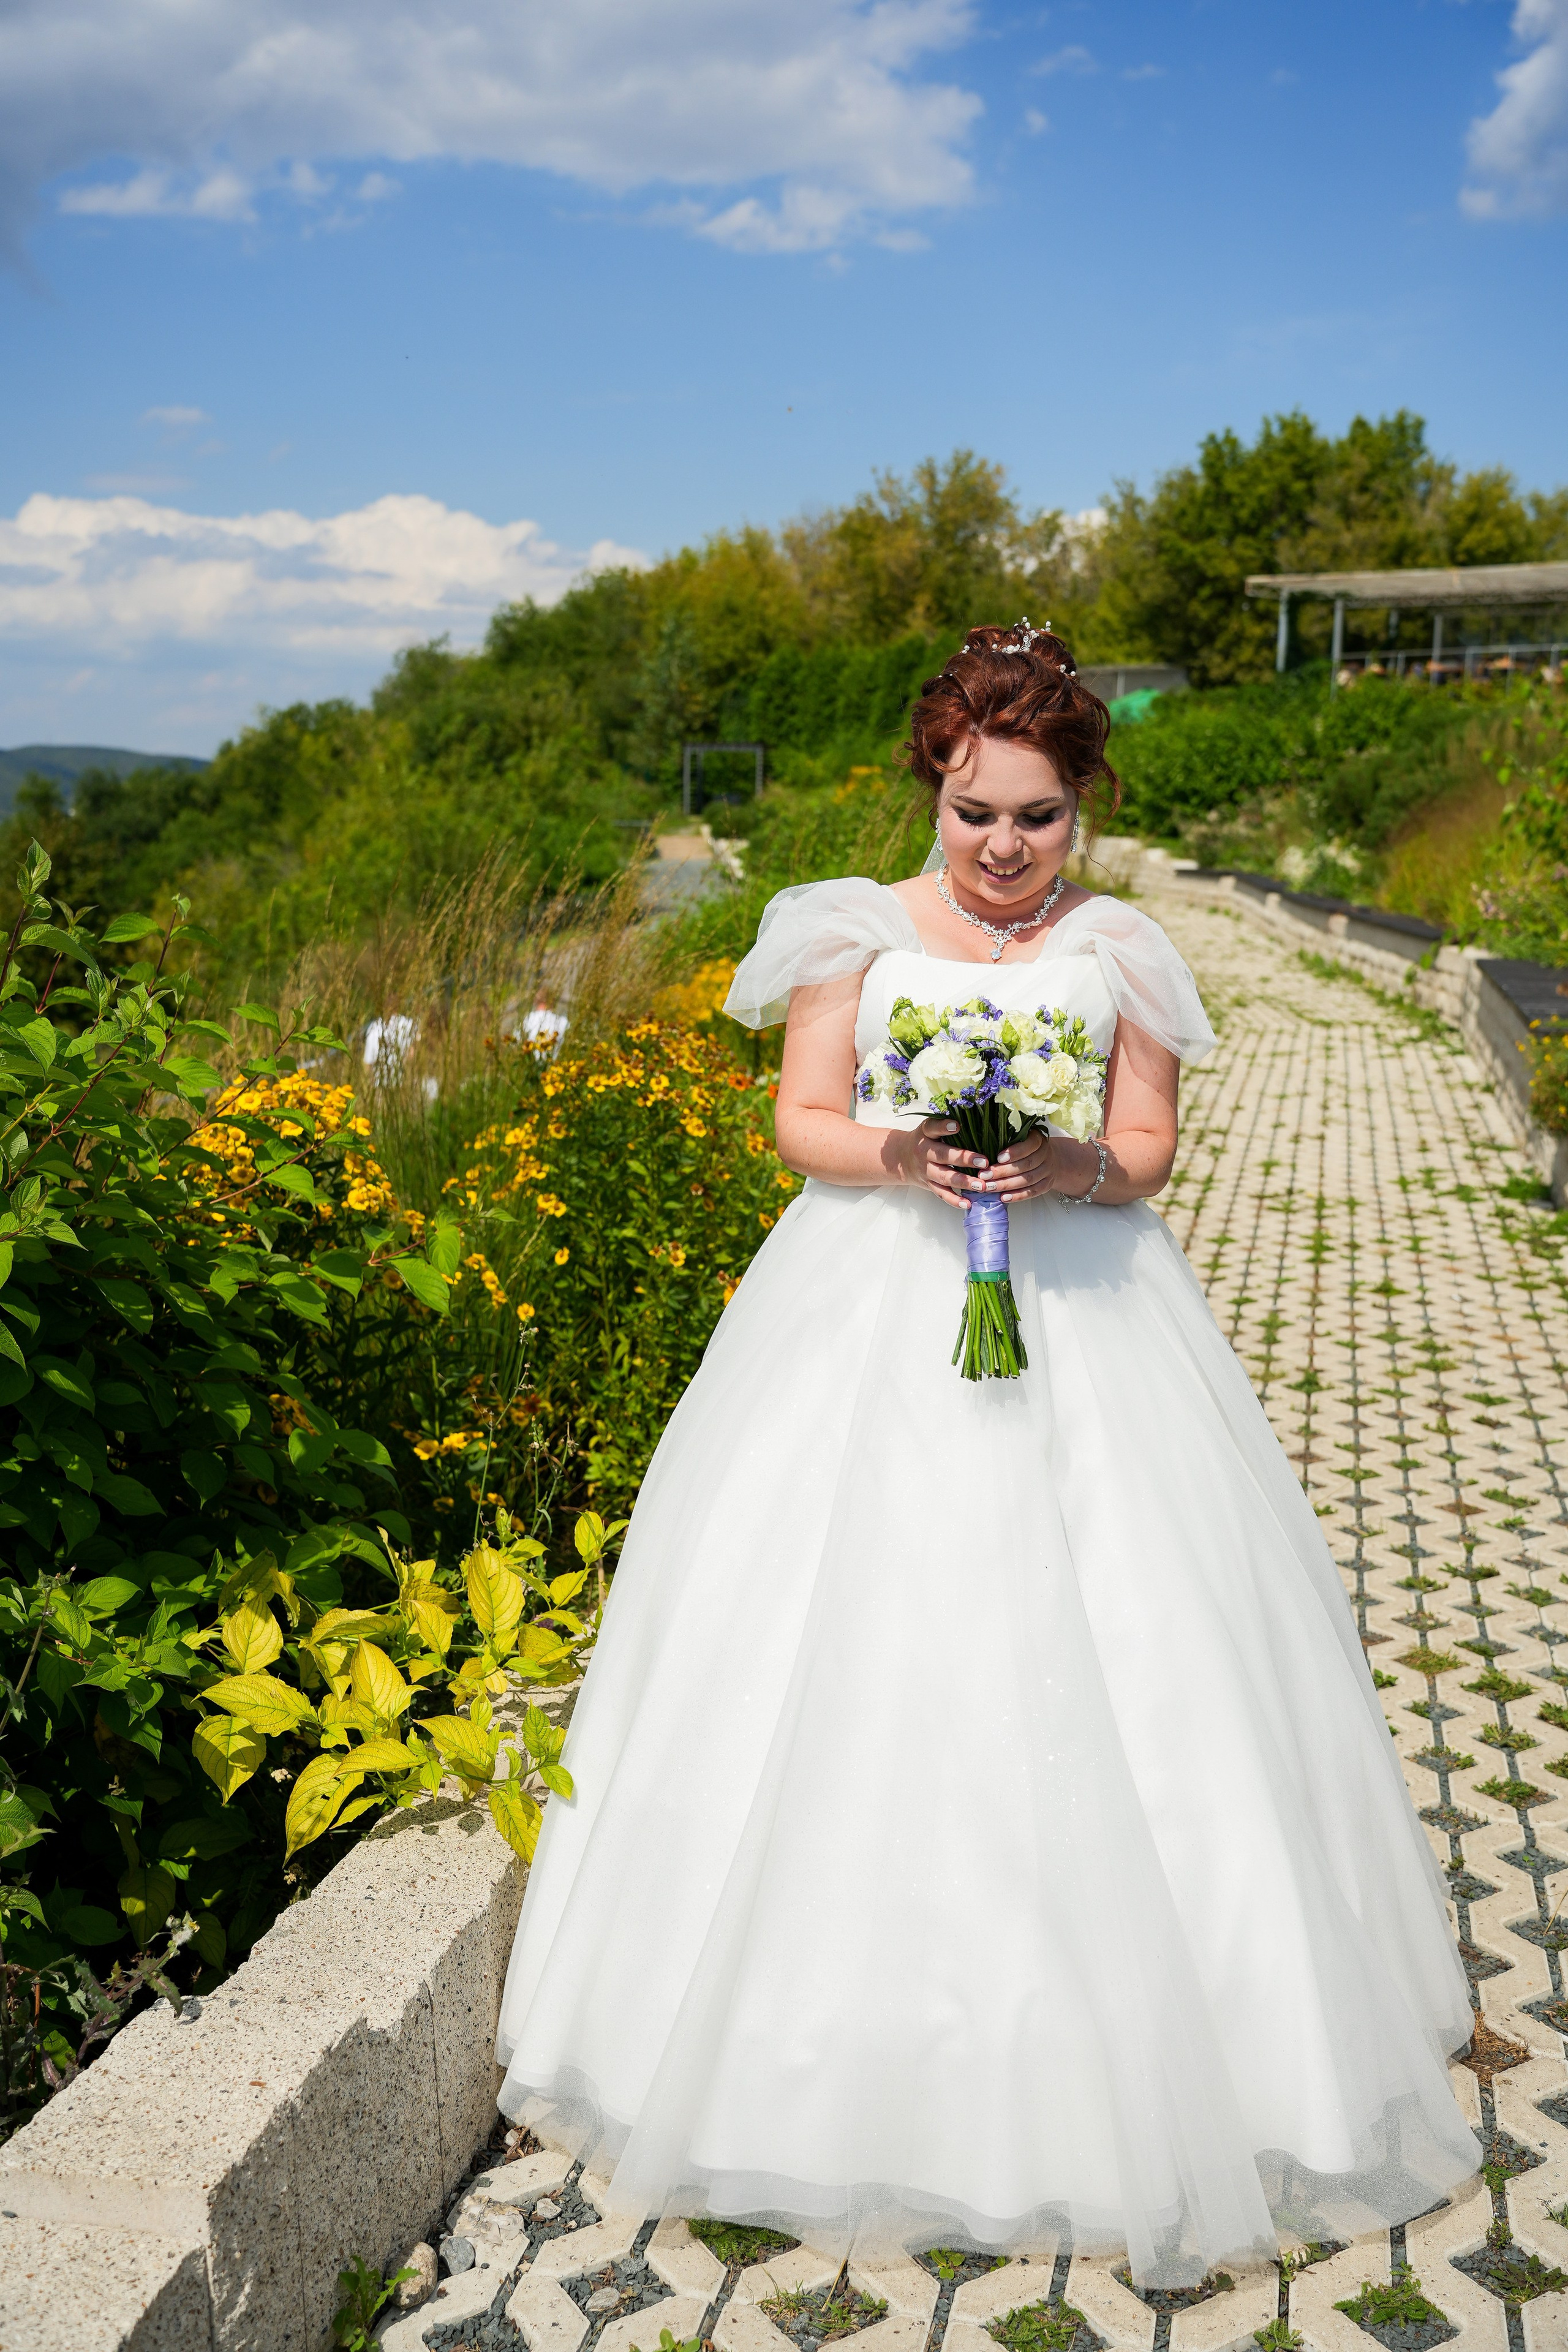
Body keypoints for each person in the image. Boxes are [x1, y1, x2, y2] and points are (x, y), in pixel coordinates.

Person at [494, 623, 1479, 2286]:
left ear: (1080, 806)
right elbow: (797, 1118)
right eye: (977, 814)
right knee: (838, 1637)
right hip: (867, 1297)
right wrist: (906, 1154)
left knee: (1132, 1640)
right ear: (933, 793)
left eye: (1038, 816)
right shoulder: (847, 936)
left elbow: (1154, 1145)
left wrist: (1069, 1164)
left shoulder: (1130, 950)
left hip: (1088, 1310)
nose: (1008, 849)